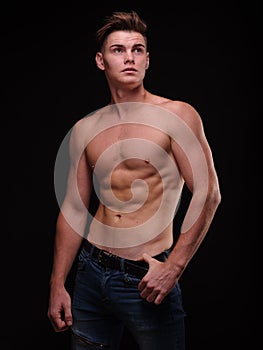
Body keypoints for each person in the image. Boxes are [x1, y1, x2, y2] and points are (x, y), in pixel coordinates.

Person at [47, 10, 221, 350]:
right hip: (90, 273)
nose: (129, 57)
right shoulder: (87, 128)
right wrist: (57, 283)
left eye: (138, 49)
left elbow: (209, 192)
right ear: (101, 61)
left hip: (144, 277)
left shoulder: (176, 115)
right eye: (118, 50)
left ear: (147, 60)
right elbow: (74, 208)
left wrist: (174, 267)